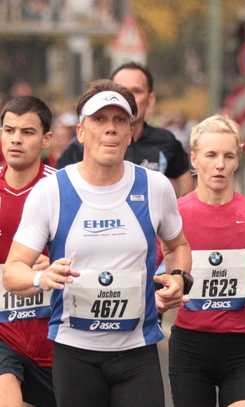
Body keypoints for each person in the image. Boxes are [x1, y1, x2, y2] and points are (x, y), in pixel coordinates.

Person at [2, 79, 192, 407]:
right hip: (74, 354)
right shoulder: (51, 191)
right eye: (99, 119)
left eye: (120, 120)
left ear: (130, 133)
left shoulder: (155, 187)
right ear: (80, 131)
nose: (111, 128)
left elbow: (178, 246)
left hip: (137, 351)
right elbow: (12, 271)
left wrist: (179, 277)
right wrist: (40, 278)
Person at [168, 114, 245, 407]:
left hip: (241, 348)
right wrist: (160, 291)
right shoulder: (174, 215)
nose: (220, 164)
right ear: (194, 159)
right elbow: (147, 266)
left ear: (237, 160)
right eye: (211, 155)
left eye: (228, 156)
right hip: (190, 347)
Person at [56, 61, 194, 197]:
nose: (128, 97)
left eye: (136, 91)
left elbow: (186, 192)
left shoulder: (166, 141)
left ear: (151, 99)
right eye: (121, 90)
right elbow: (60, 189)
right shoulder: (80, 146)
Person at [0, 96, 56, 407]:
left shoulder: (64, 189)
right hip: (3, 335)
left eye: (27, 132)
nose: (16, 139)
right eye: (9, 130)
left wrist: (54, 262)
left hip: (54, 339)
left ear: (46, 139)